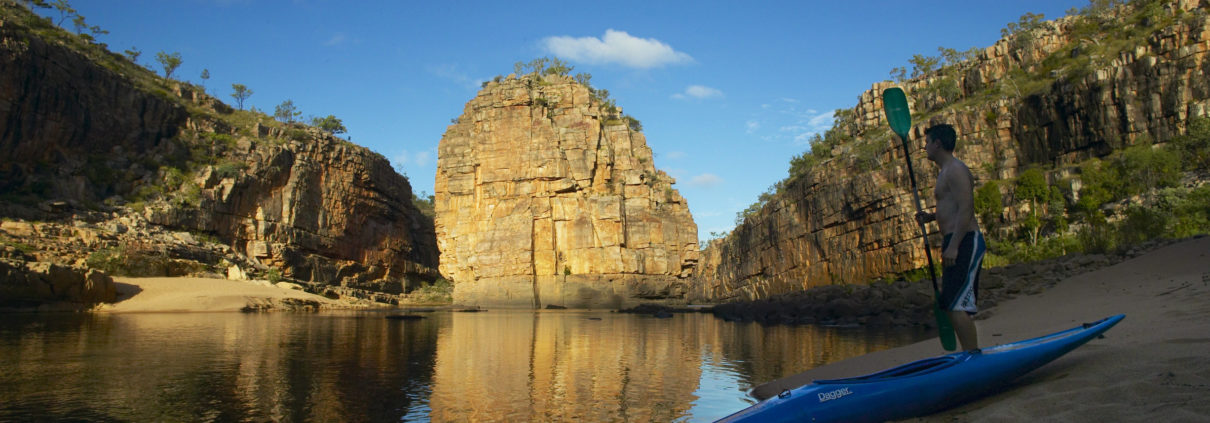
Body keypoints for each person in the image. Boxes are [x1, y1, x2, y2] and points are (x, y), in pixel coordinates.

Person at [916, 123, 985, 352]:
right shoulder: (944, 172)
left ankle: (972, 357)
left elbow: (966, 208)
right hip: (953, 241)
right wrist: (929, 217)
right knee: (951, 302)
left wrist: (954, 246)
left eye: (927, 142)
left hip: (965, 240)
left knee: (956, 303)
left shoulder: (955, 169)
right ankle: (969, 353)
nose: (924, 147)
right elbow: (951, 208)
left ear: (938, 143)